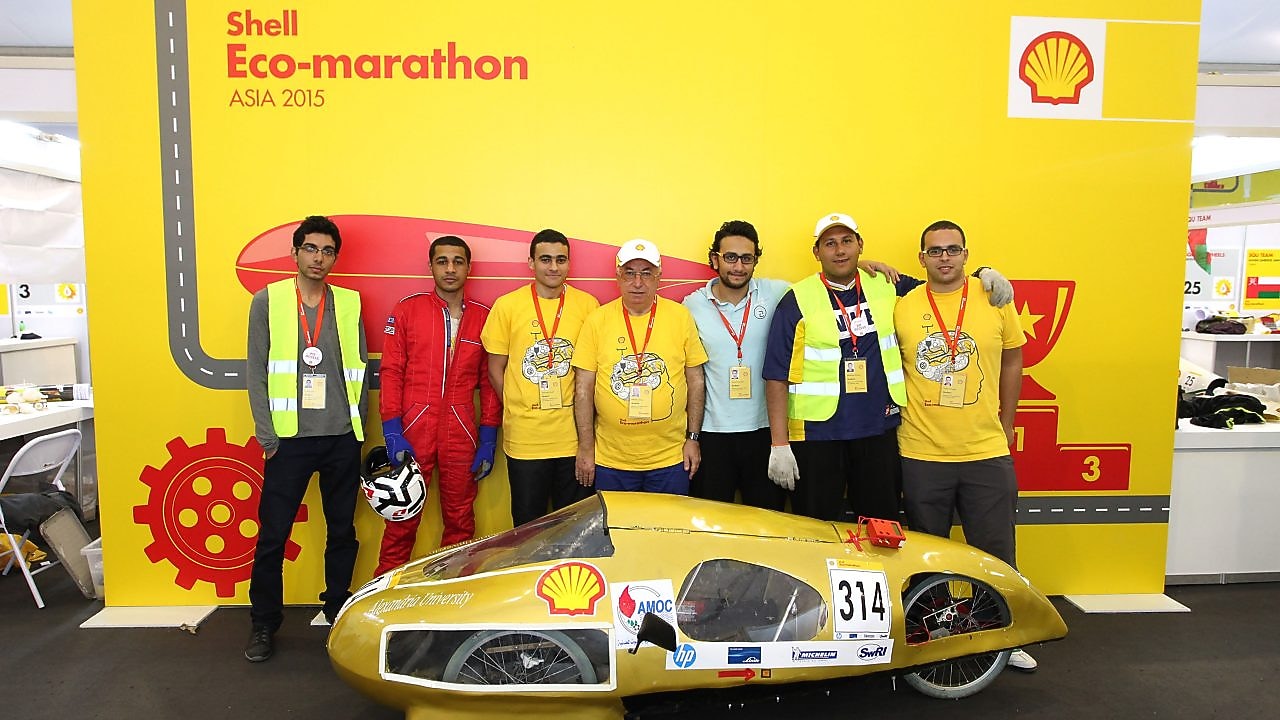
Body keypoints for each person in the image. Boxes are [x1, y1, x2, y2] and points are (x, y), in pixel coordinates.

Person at [764, 212, 1012, 522]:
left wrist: (983, 273)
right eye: (829, 244)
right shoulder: (796, 299)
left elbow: (941, 284)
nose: (839, 250)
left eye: (846, 241)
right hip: (817, 437)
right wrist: (779, 444)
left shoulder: (886, 285)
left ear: (860, 245)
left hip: (877, 432)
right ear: (817, 252)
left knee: (882, 529)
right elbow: (776, 374)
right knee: (817, 530)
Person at [893, 219, 1035, 673]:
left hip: (985, 451)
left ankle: (1004, 638)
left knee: (995, 550)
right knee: (927, 554)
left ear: (966, 255)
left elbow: (1014, 356)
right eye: (935, 251)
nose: (945, 257)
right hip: (920, 451)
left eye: (953, 249)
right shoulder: (904, 304)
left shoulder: (994, 297)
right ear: (922, 259)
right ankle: (934, 638)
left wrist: (1007, 421)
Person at [245, 215, 368, 663]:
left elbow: (357, 371)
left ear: (336, 256)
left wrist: (359, 431)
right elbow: (255, 371)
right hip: (289, 441)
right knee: (273, 537)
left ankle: (336, 610)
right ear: (295, 253)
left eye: (328, 251)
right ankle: (263, 623)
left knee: (342, 532)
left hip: (340, 437)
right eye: (311, 249)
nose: (319, 258)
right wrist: (268, 437)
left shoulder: (349, 304)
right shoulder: (269, 301)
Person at [374, 235, 500, 575]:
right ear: (430, 266)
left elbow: (490, 384)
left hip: (461, 430)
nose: (450, 268)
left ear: (469, 268)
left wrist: (488, 438)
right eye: (442, 261)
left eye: (458, 261)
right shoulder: (408, 310)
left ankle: (451, 598)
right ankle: (383, 601)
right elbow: (391, 372)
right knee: (401, 520)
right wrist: (392, 431)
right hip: (415, 428)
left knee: (460, 524)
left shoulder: (485, 317)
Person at [481, 229, 599, 526]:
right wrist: (517, 401)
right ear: (531, 263)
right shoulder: (507, 306)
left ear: (569, 263)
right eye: (545, 259)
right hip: (525, 440)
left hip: (572, 439)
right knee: (526, 527)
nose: (553, 267)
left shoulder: (588, 306)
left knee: (573, 528)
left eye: (561, 259)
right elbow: (496, 368)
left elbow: (593, 371)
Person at [572, 239, 709, 494]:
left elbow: (696, 381)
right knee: (618, 533)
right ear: (618, 276)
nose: (638, 282)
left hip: (670, 459)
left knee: (667, 531)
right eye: (630, 273)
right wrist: (586, 447)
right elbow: (583, 389)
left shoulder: (680, 317)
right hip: (611, 461)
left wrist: (693, 439)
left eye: (646, 273)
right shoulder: (597, 320)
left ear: (659, 277)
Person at [681, 221, 790, 509]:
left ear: (755, 260)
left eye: (747, 258)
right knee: (714, 525)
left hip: (764, 432)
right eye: (730, 257)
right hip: (712, 436)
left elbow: (825, 290)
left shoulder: (776, 293)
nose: (738, 267)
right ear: (715, 258)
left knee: (767, 523)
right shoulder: (691, 306)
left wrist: (861, 266)